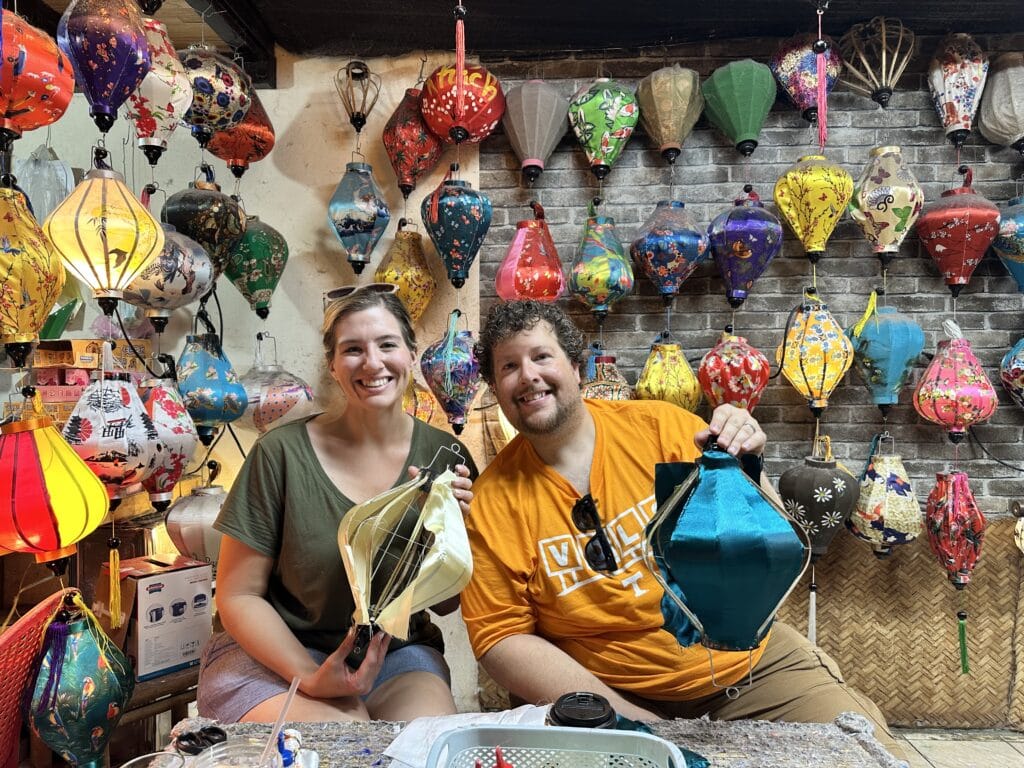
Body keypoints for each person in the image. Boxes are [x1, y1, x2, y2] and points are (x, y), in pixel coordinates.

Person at [461, 299, 904, 760]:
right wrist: (629, 720)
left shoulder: (663, 429)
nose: (527, 375)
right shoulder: (493, 501)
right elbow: (501, 638)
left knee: (865, 753)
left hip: (746, 668)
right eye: (509, 366)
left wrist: (747, 466)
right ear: (495, 388)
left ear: (575, 367)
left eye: (541, 356)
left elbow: (771, 539)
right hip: (606, 689)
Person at [198, 284, 477, 723]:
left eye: (387, 345)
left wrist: (448, 538)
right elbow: (238, 595)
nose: (373, 363)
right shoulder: (281, 453)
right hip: (276, 655)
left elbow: (445, 605)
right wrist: (310, 676)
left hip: (392, 654)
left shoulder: (447, 457)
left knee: (422, 746)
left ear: (410, 353)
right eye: (352, 350)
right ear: (332, 364)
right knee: (346, 744)